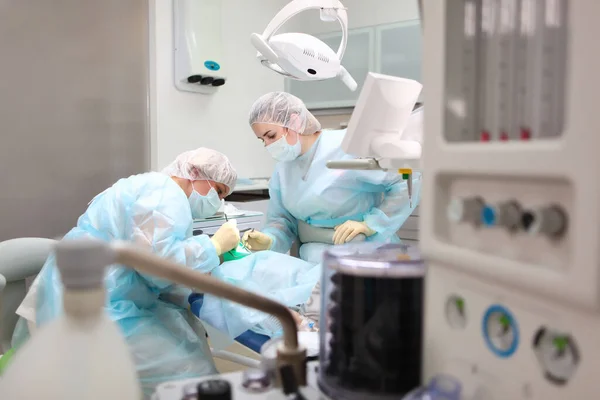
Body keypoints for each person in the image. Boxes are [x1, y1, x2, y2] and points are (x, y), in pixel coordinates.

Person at [15, 148, 240, 398]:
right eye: (218, 191)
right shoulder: (165, 194)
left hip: (98, 290)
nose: (218, 202)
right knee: (189, 370)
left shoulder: (154, 187)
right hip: (97, 303)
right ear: (195, 172)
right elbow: (158, 266)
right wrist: (214, 245)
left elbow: (150, 260)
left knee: (187, 331)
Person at [243, 92, 423, 264]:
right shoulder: (282, 170)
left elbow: (408, 178)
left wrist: (371, 224)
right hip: (312, 263)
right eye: (262, 140)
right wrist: (269, 240)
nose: (268, 145)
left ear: (294, 122)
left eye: (271, 136)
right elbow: (282, 221)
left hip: (365, 256)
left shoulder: (346, 146)